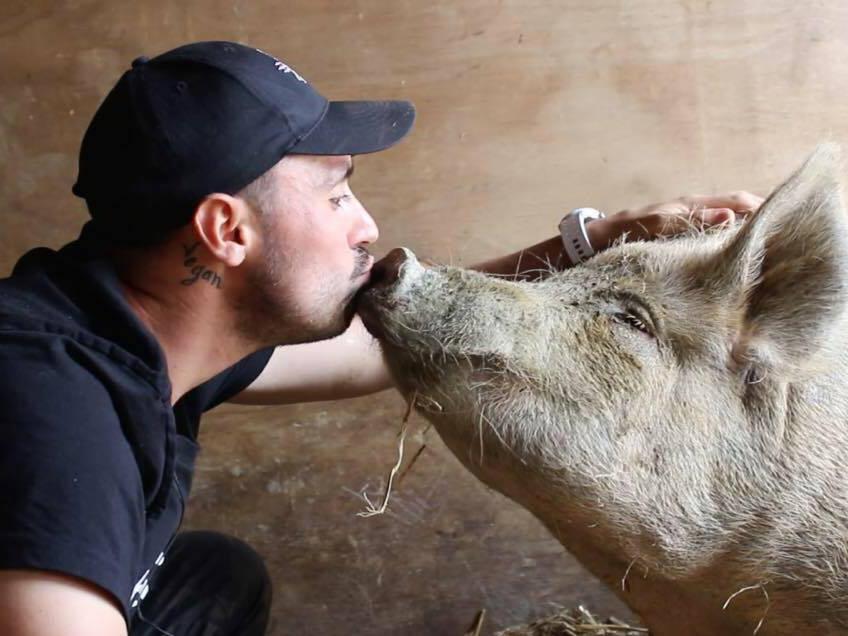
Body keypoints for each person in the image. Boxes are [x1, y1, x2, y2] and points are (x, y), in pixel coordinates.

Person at [0, 40, 763, 636]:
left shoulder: (136, 322)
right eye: (336, 195)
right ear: (226, 229)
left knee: (214, 580)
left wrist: (592, 242)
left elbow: (377, 348)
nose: (365, 226)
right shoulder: (52, 417)